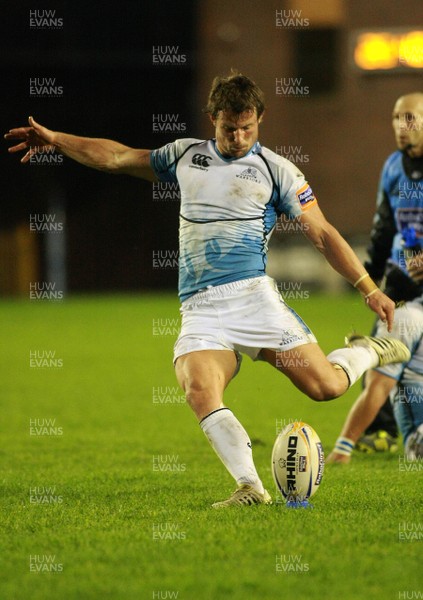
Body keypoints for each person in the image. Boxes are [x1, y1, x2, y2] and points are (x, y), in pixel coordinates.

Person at [5, 71, 410, 507]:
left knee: (325, 388)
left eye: (247, 128)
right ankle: (250, 488)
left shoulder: (279, 171)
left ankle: (368, 350)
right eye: (228, 127)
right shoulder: (184, 156)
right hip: (201, 308)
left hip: (254, 300)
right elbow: (118, 157)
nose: (238, 137)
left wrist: (369, 288)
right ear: (212, 118)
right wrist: (57, 139)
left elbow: (323, 234)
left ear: (260, 120)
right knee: (199, 389)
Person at [356, 92, 423, 453]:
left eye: (410, 118)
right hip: (401, 280)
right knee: (381, 351)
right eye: (397, 118)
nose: (401, 126)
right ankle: (382, 433)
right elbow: (383, 226)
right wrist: (370, 277)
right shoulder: (393, 167)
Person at [327, 296, 423, 463]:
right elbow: (378, 386)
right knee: (325, 385)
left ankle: (363, 354)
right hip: (419, 433)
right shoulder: (408, 319)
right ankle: (363, 354)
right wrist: (343, 447)